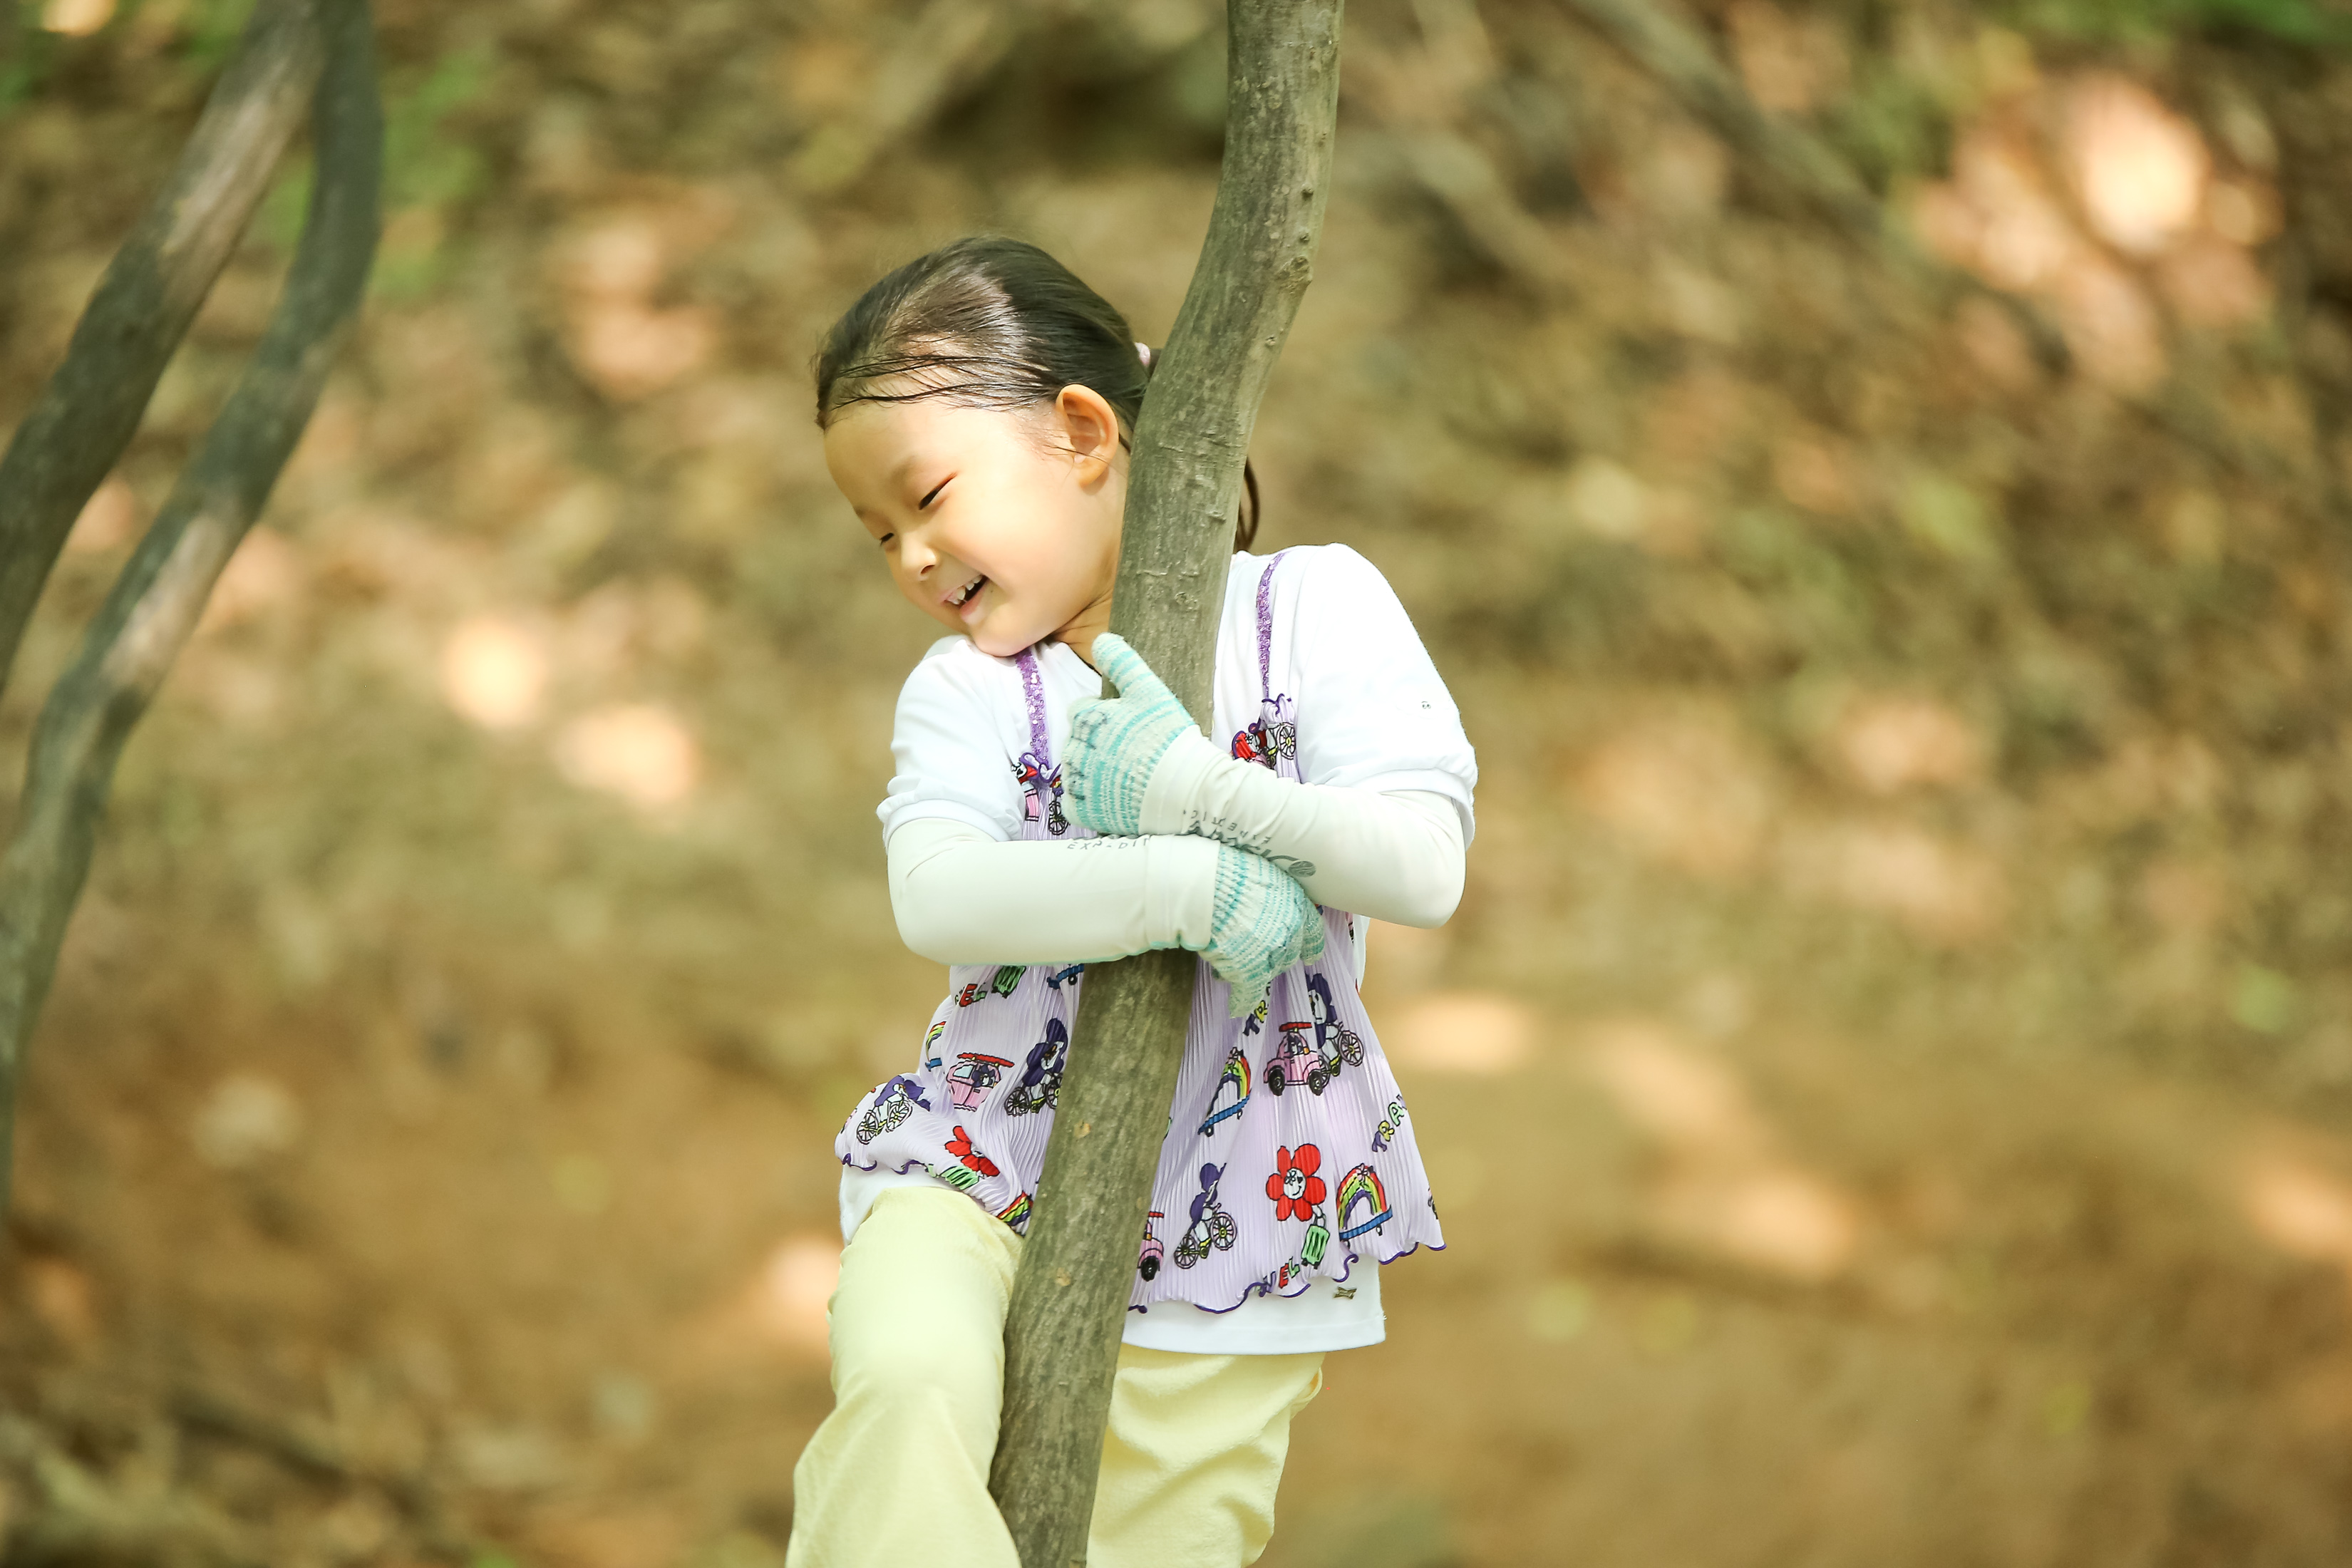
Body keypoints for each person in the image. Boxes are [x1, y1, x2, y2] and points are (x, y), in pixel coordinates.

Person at [785, 236, 1477, 1568]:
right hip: (978, 1158)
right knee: (904, 1383)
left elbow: (1422, 864)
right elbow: (938, 895)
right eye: (880, 533)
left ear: (1085, 431)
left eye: (928, 495)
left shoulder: (1311, 610)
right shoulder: (971, 691)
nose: (914, 555)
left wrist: (1204, 792)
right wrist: (1183, 882)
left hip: (1249, 1190)